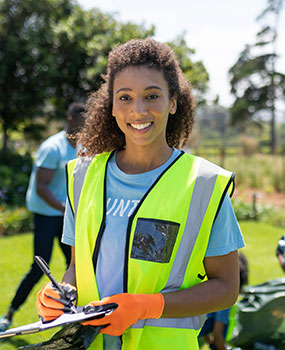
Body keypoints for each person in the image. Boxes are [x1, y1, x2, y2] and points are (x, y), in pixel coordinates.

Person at [36, 38, 245, 350]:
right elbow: (78, 268)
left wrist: (146, 306)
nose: (138, 110)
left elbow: (226, 288)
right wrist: (61, 293)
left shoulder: (205, 184)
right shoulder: (81, 177)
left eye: (152, 96)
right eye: (125, 97)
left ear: (173, 102)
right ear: (112, 105)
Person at [0, 102, 85, 332]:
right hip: (47, 213)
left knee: (78, 266)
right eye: (81, 123)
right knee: (39, 266)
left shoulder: (81, 147)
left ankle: (77, 318)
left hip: (64, 213)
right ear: (69, 120)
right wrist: (64, 208)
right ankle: (9, 314)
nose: (85, 128)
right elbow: (41, 187)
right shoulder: (52, 148)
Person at [198, 252, 249, 350]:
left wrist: (209, 341)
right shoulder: (226, 295)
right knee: (223, 324)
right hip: (188, 330)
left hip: (188, 325)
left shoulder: (209, 286)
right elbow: (218, 335)